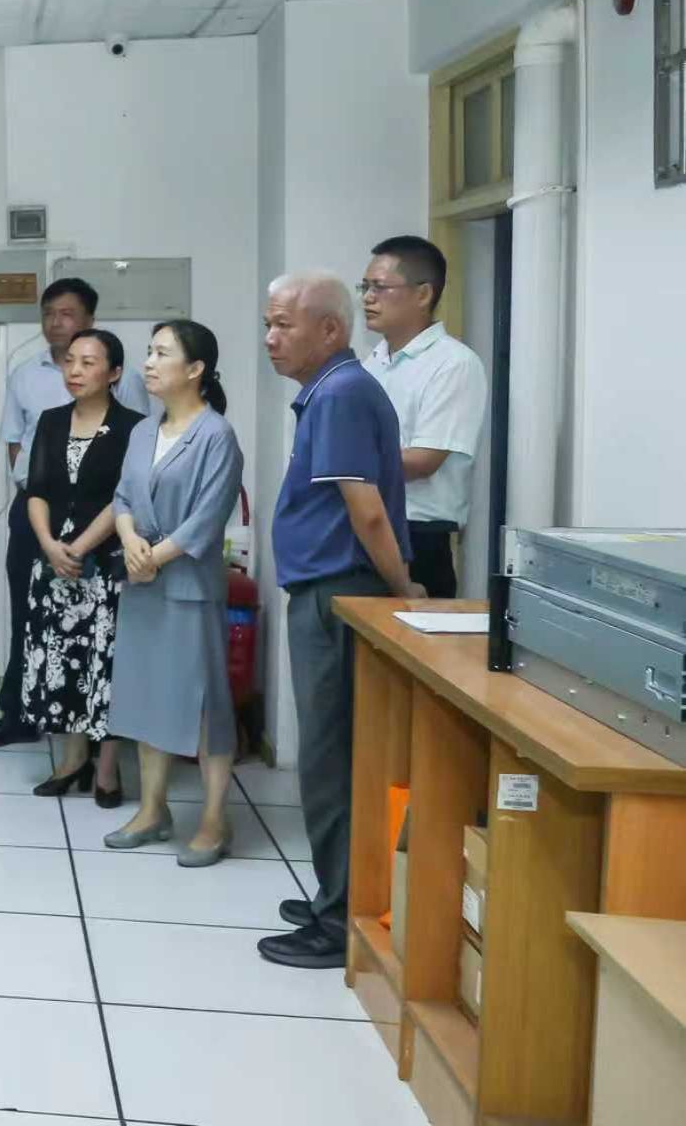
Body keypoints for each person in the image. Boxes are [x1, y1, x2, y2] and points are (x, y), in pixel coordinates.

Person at [260, 273, 422, 970]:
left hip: (340, 595)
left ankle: (339, 915)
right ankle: (337, 891)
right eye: (268, 324)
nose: (271, 339)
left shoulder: (341, 394)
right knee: (335, 753)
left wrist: (404, 588)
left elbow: (368, 512)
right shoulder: (333, 390)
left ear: (329, 330)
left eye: (284, 325)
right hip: (331, 591)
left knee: (330, 760)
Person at [0, 277, 151, 749]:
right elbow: (16, 442)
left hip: (104, 516)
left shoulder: (127, 380)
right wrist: (39, 500)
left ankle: (100, 736)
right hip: (37, 510)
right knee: (29, 612)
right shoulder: (25, 374)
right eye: (49, 313)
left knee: (103, 626)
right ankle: (20, 713)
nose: (56, 322)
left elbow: (137, 448)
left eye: (67, 313)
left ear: (90, 319)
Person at [106, 320, 246, 865]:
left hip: (188, 587)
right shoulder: (144, 431)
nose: (149, 362)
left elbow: (206, 521)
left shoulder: (215, 435)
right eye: (149, 351)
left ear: (195, 369)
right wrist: (128, 540)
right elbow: (122, 498)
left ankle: (214, 820)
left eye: (162, 353)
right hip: (142, 586)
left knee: (203, 704)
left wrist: (151, 557)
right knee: (147, 697)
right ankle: (152, 810)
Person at [17, 329, 143, 808]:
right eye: (70, 360)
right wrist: (50, 545)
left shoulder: (133, 428)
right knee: (60, 659)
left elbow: (125, 497)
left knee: (104, 663)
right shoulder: (51, 422)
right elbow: (36, 490)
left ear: (114, 373)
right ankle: (72, 761)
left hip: (104, 562)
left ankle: (107, 767)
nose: (75, 370)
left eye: (89, 363)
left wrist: (79, 547)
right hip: (53, 561)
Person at [359, 236, 488, 600]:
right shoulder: (373, 361)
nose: (367, 298)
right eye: (364, 287)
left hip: (417, 538)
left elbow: (423, 460)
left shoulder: (453, 363)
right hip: (365, 528)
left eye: (380, 287)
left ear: (423, 294)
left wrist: (344, 462)